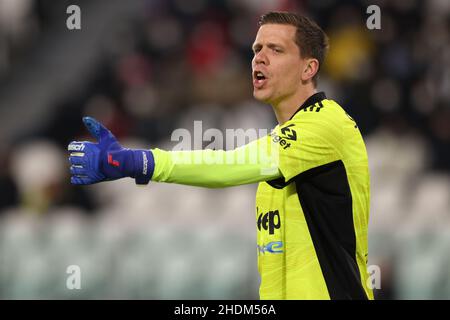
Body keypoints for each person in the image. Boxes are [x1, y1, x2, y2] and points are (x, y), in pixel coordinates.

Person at [68, 11, 373, 300]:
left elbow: (228, 166)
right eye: (257, 49)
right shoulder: (282, 152)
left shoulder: (325, 124)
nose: (260, 58)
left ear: (309, 68)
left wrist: (140, 162)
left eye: (276, 50)